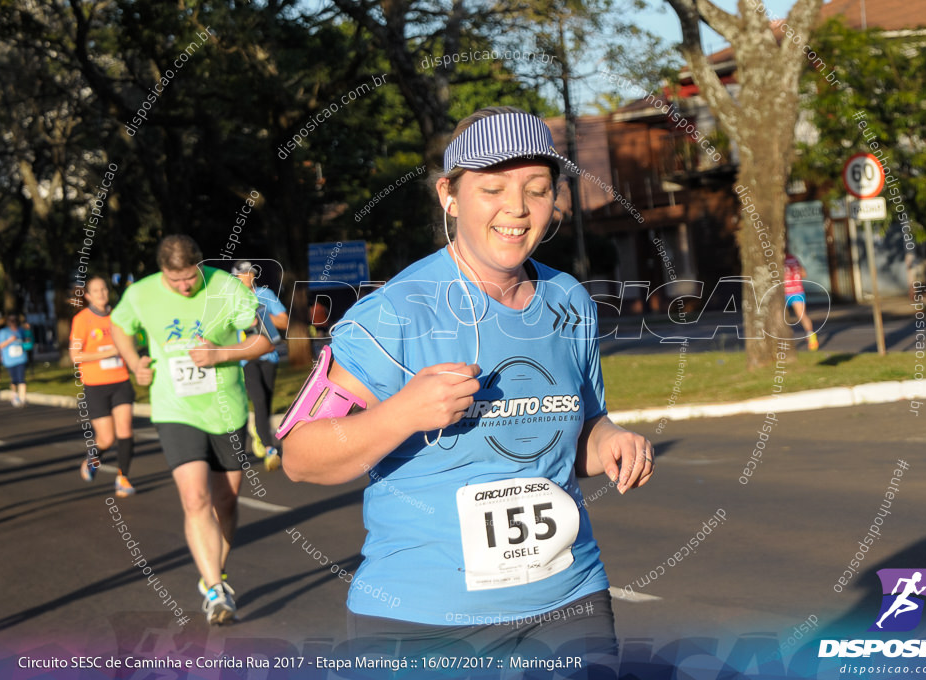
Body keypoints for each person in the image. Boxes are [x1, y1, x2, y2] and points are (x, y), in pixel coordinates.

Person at [282, 107, 654, 661]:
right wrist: (402, 413)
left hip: (569, 601)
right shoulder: (392, 314)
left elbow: (581, 431)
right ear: (449, 196)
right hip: (422, 619)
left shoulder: (569, 301)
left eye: (537, 189)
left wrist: (612, 441)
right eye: (492, 188)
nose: (517, 208)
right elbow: (300, 456)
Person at [110, 235, 272, 625]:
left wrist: (220, 354)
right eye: (174, 280)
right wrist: (134, 363)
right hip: (174, 408)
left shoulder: (225, 286)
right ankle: (216, 591)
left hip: (226, 409)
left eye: (190, 278)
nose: (184, 287)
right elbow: (119, 325)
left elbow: (265, 340)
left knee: (226, 501)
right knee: (195, 497)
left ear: (201, 266)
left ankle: (213, 571)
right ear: (162, 271)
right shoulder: (141, 292)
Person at [70, 275, 138, 496]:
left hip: (120, 381)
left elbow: (133, 340)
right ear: (88, 296)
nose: (102, 293)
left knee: (125, 429)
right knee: (107, 438)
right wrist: (109, 351)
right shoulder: (82, 319)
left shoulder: (118, 317)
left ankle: (123, 478)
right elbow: (75, 355)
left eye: (104, 289)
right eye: (96, 290)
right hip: (95, 385)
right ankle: (92, 459)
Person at [231, 261, 288, 471]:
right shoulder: (231, 300)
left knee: (267, 401)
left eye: (250, 273)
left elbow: (284, 321)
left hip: (269, 355)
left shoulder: (266, 294)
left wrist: (262, 314)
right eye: (243, 274)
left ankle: (259, 430)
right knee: (260, 400)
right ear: (236, 277)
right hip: (246, 357)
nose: (248, 276)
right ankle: (270, 448)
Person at [784, 250, 818, 350]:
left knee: (780, 317)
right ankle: (811, 335)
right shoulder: (794, 258)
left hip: (784, 292)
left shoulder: (777, 260)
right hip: (798, 291)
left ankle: (784, 340)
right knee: (802, 315)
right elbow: (804, 273)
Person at [0, 315, 28, 407]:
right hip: (9, 360)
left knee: (21, 378)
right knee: (14, 379)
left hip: (21, 358)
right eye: (11, 321)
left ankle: (22, 399)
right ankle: (15, 395)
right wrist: (10, 340)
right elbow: (0, 346)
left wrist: (28, 331)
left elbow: (26, 340)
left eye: (14, 321)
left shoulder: (20, 330)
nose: (13, 323)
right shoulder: (3, 332)